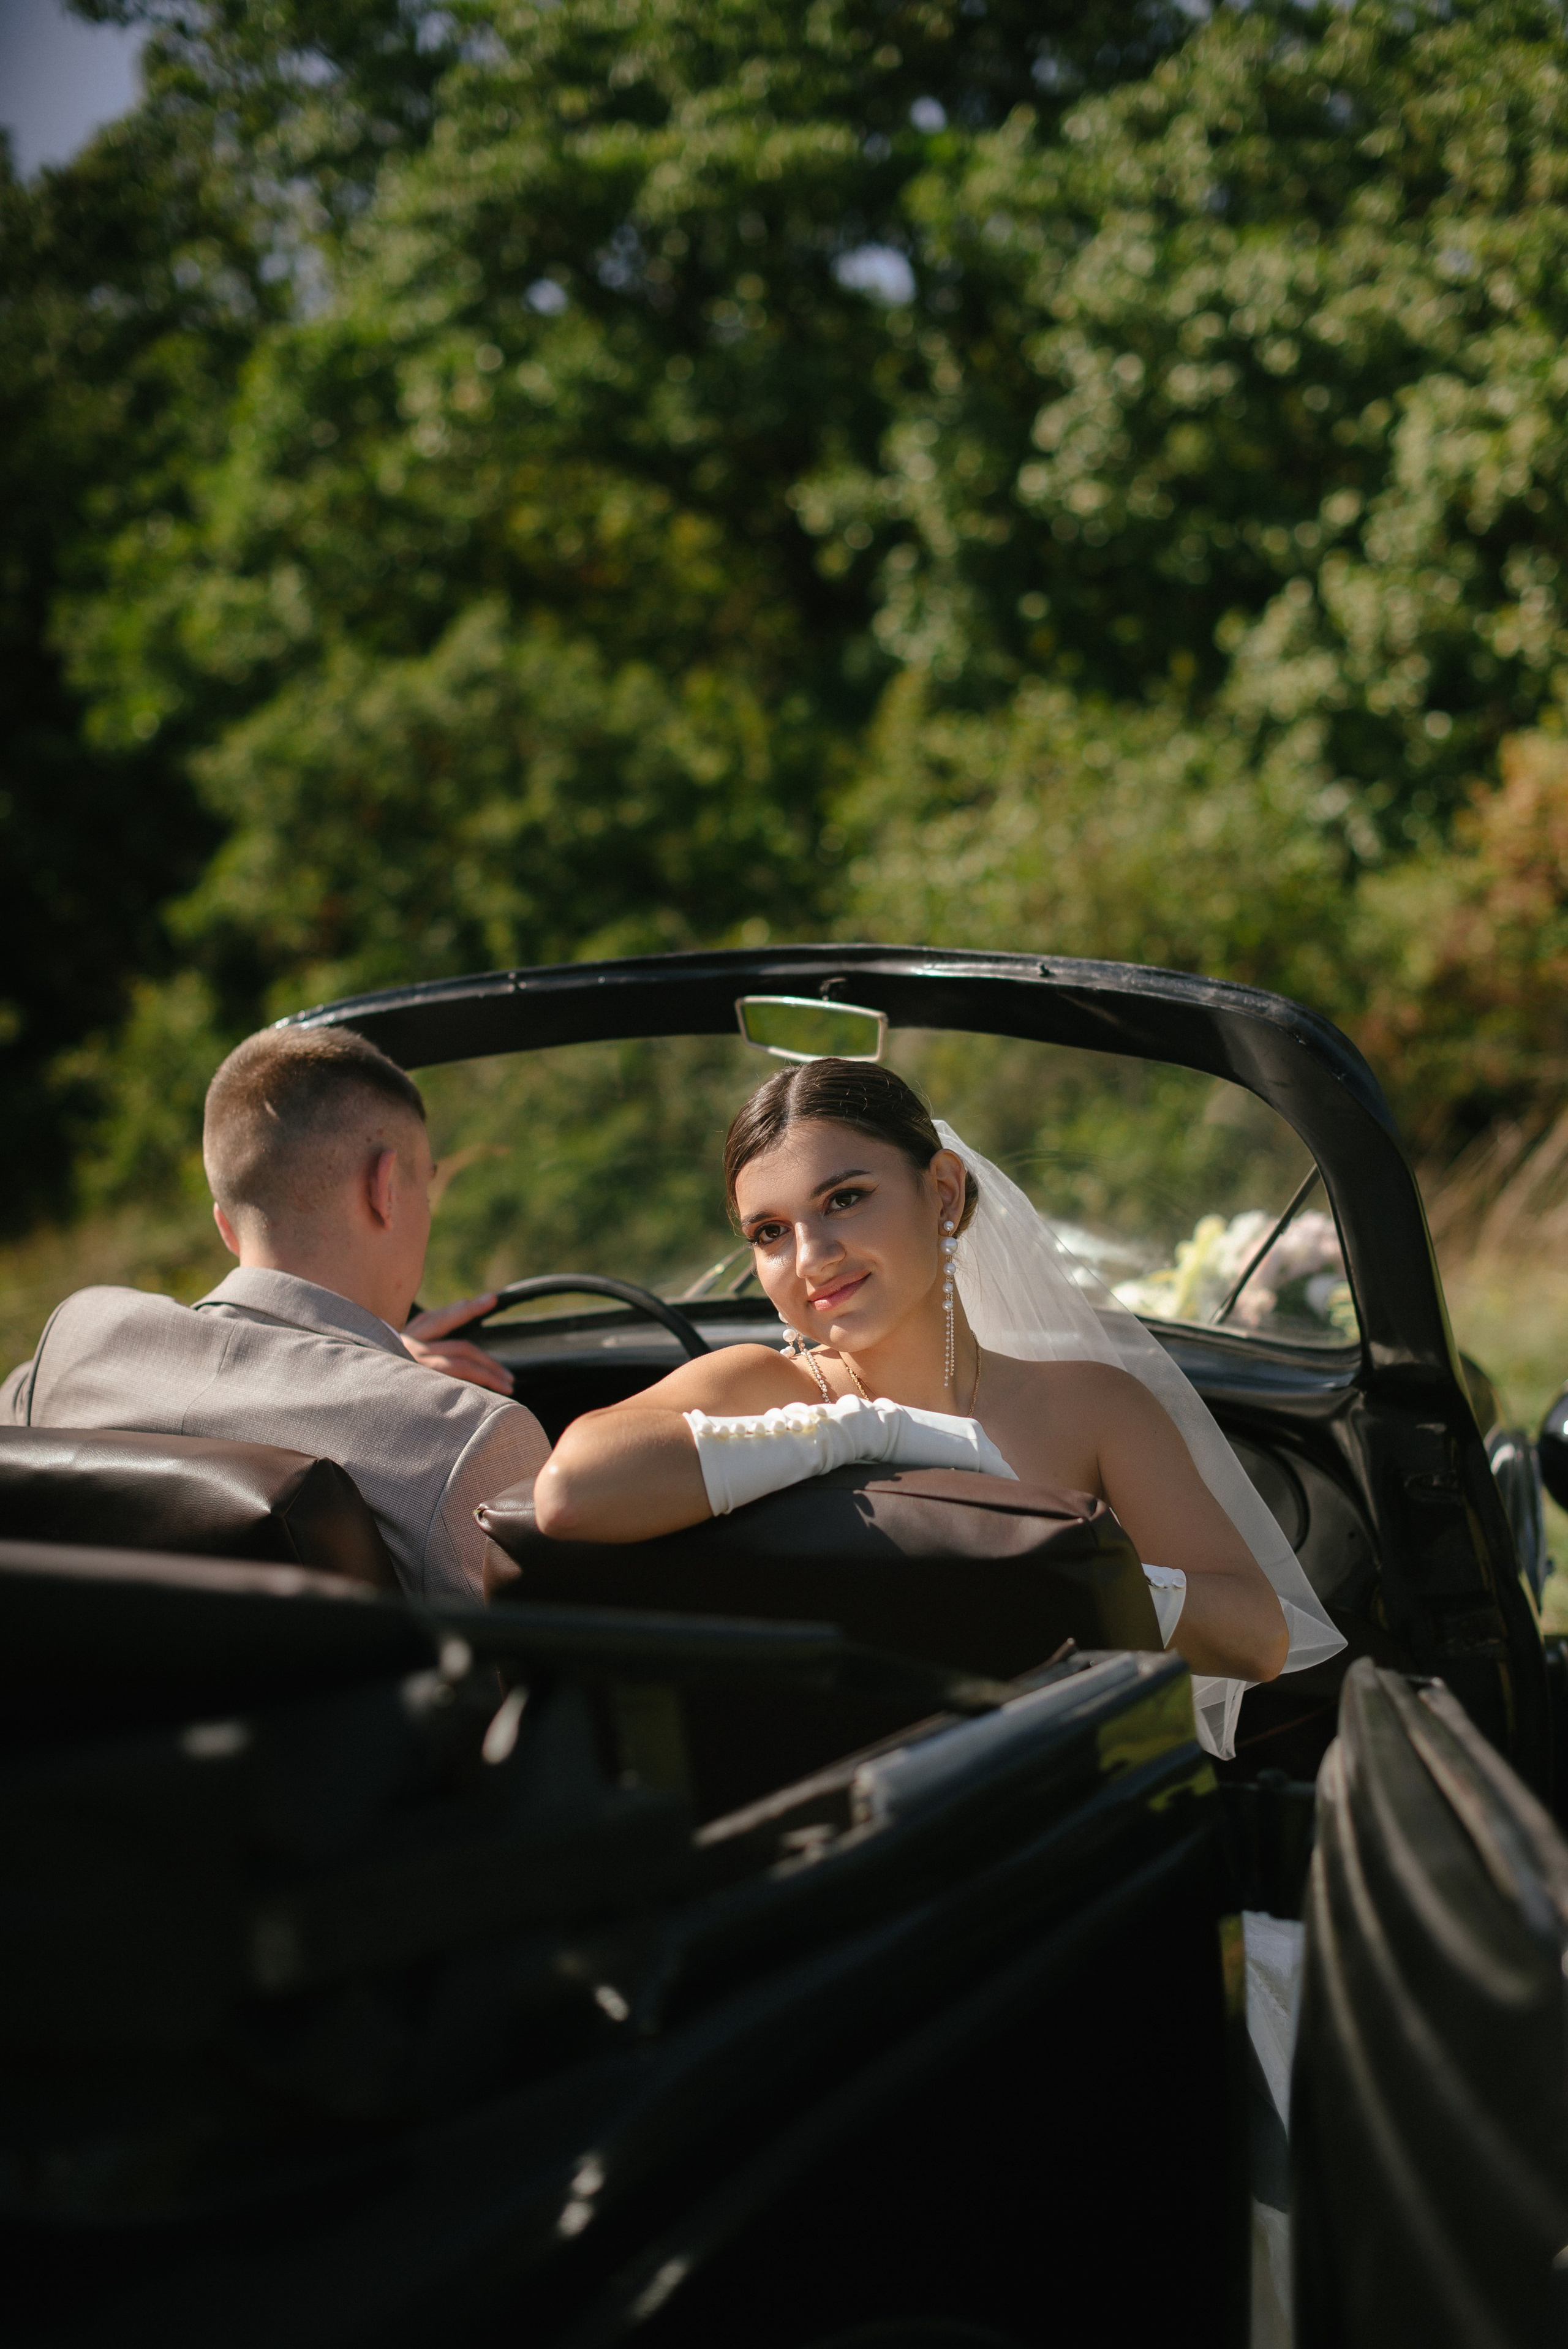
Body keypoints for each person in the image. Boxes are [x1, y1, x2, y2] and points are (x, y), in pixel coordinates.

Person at [535, 1058, 1345, 1756]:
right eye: (770, 1232)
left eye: (845, 1198)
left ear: (944, 1192)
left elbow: (1258, 1638)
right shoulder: (758, 1385)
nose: (811, 1257)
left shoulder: (1092, 1407)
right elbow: (571, 1489)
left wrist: (1070, 1571)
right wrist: (855, 1432)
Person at [1, 1025, 548, 1602]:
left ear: (226, 1226)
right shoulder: (467, 1438)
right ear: (385, 1188)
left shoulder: (74, 1347)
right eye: (425, 1190)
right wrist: (397, 1377)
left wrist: (385, 1360)